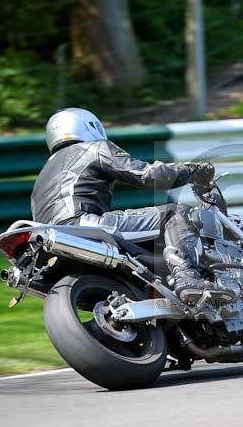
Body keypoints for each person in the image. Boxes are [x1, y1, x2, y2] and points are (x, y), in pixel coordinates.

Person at [31, 107, 222, 302]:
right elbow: (149, 176)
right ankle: (186, 276)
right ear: (88, 126)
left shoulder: (42, 176)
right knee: (176, 212)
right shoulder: (95, 148)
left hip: (53, 240)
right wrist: (192, 170)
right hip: (83, 226)